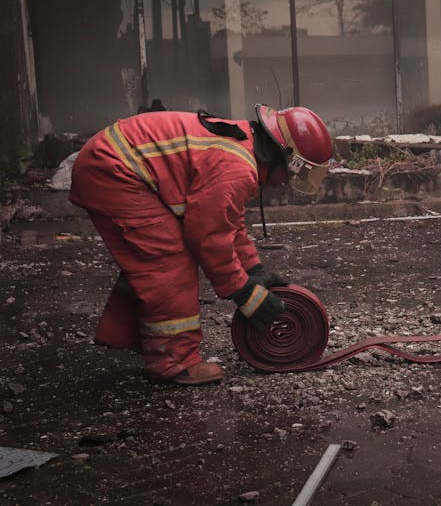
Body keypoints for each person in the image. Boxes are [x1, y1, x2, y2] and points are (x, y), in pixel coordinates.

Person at [68, 104, 333, 384]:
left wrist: (254, 269)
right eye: (294, 173)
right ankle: (175, 363)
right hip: (114, 169)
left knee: (150, 259)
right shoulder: (237, 167)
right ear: (283, 156)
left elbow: (227, 221)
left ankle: (140, 337)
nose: (287, 183)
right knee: (169, 263)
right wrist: (244, 292)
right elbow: (208, 236)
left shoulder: (241, 149)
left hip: (116, 162)